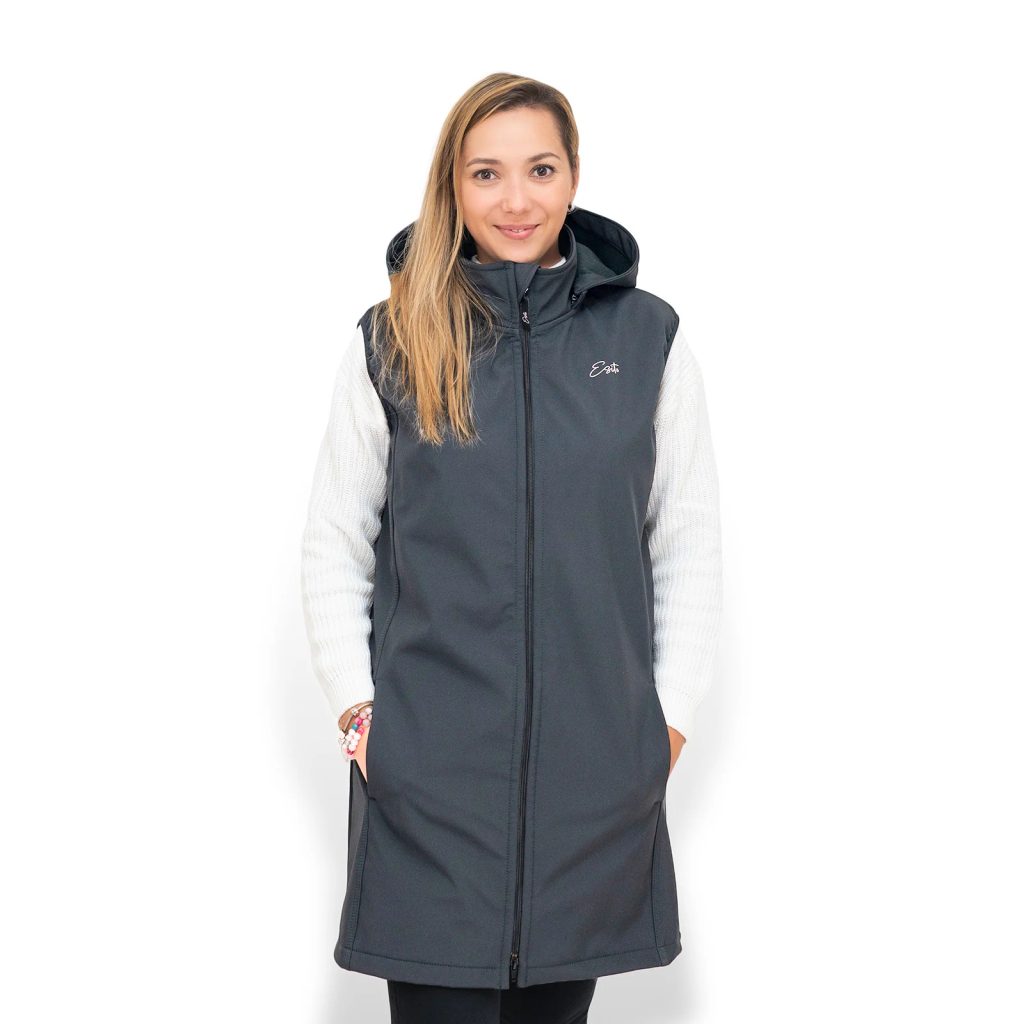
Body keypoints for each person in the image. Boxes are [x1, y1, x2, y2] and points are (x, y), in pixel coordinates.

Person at [301, 72, 723, 1024]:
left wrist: (665, 725)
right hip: (429, 779)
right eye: (485, 173)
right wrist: (361, 715)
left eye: (540, 169)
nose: (516, 199)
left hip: (595, 779)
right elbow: (334, 540)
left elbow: (686, 542)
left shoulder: (647, 340)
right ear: (452, 187)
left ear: (574, 177)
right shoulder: (395, 339)